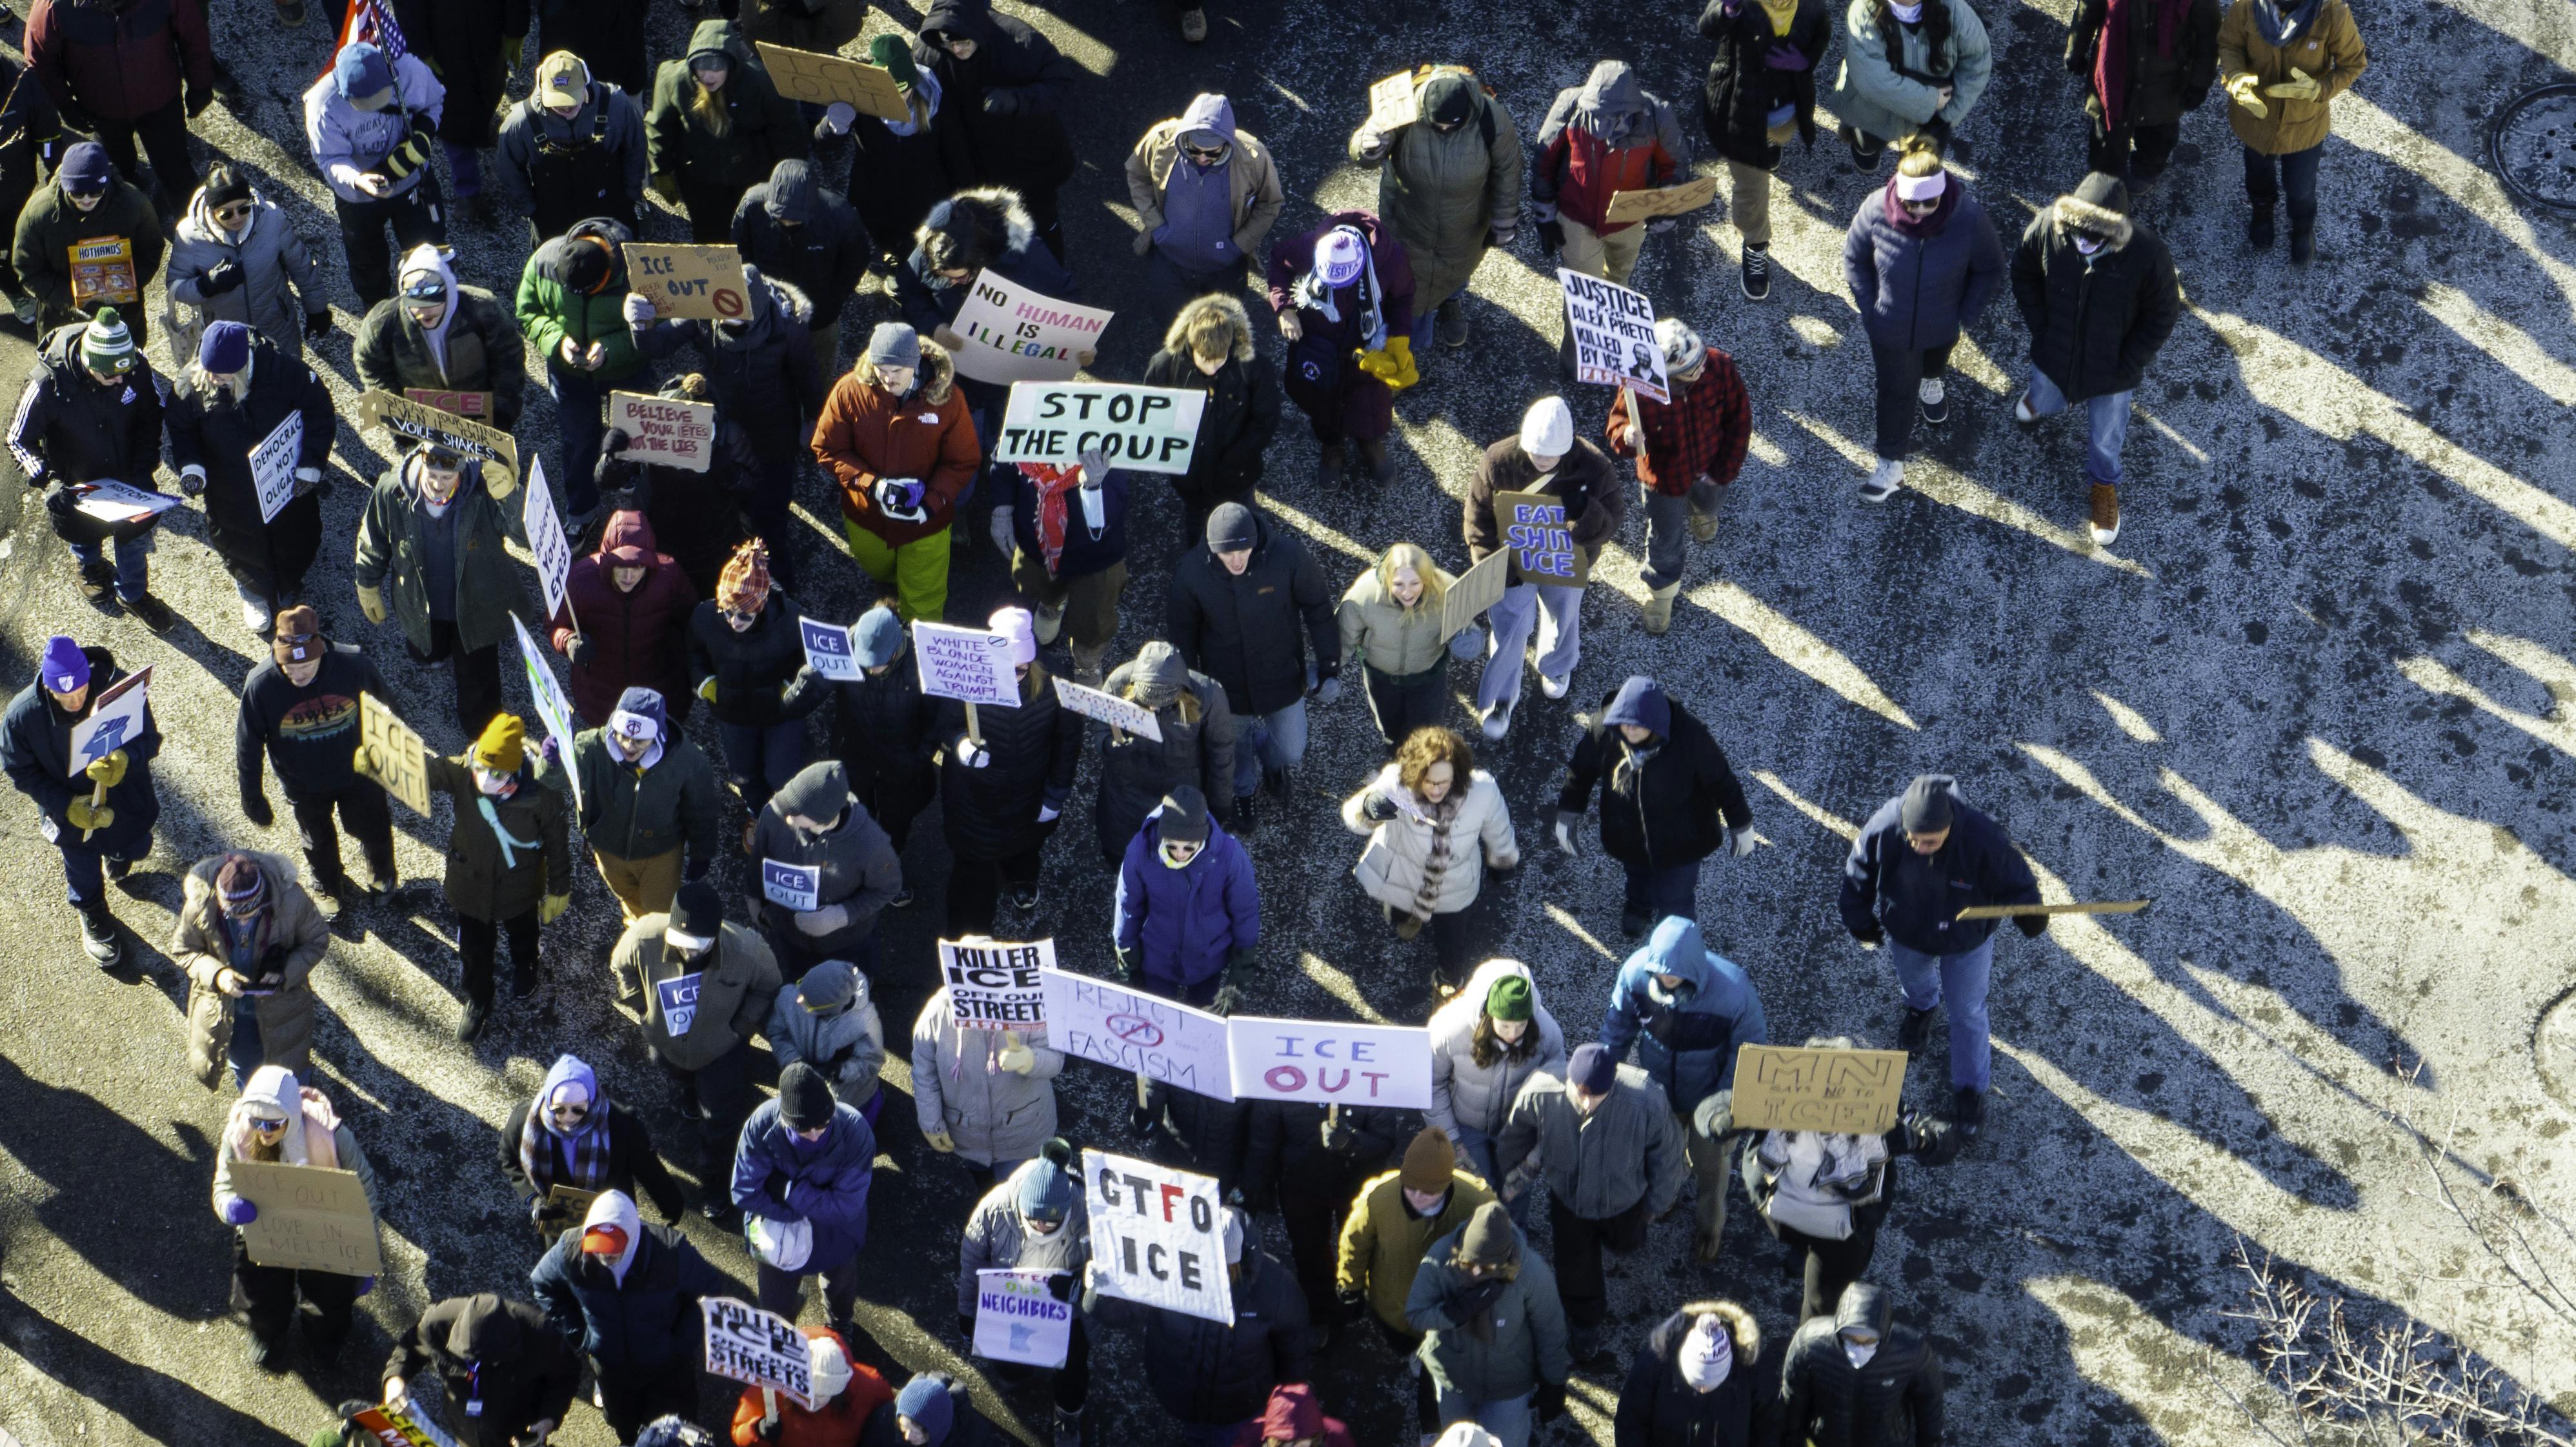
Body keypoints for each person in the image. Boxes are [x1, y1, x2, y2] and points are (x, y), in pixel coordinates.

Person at [1838, 774, 2042, 1133]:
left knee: (1968, 1012)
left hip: (1967, 941)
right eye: (1913, 840)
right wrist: (1858, 916)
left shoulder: (1983, 837)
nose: (1920, 848)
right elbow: (1859, 870)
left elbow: (2018, 879)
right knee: (1914, 982)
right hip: (1908, 932)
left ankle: (1970, 1090)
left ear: (1950, 827)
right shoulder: (1886, 824)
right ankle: (1921, 1008)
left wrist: (2030, 914)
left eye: (1930, 841)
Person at [2008, 172, 2182, 547]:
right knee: (2044, 387)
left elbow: (2164, 313)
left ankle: (2104, 486)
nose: (2084, 241)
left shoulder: (2149, 254)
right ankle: (2039, 402)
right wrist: (2042, 326)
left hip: (2113, 372)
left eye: (2096, 237)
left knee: (2106, 435)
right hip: (2054, 349)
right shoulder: (2047, 226)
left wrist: (2129, 363)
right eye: (2077, 231)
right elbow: (2023, 270)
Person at [1724, 1053, 1958, 1322]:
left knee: (1822, 1303)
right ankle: (1804, 1251)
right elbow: (1725, 1104)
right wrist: (1717, 1117)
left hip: (1840, 1231)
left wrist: (1920, 1138)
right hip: (1787, 1214)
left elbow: (1946, 1140)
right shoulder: (1782, 1093)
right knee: (1816, 1285)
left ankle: (1810, 1347)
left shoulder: (1880, 1105)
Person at [1495, 1042, 1686, 1366]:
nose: (1586, 1102)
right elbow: (1515, 1137)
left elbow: (1667, 1158)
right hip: (1570, 1202)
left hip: (1624, 1201)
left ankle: (1626, 1241)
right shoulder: (1541, 1092)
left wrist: (1657, 1204)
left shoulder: (1647, 1101)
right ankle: (1585, 1324)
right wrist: (1505, 1182)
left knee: (1627, 1243)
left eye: (1596, 1095)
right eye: (1580, 1092)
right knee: (1575, 1269)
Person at [1842, 139, 2005, 503]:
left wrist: (1965, 315)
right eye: (1910, 202)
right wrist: (1871, 309)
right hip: (1891, 330)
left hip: (1943, 325)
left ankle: (1932, 381)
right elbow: (1853, 259)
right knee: (1896, 391)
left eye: (1928, 203)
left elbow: (1990, 268)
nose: (1917, 211)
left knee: (1934, 362)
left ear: (1942, 195)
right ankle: (1890, 465)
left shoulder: (1968, 218)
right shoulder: (1875, 210)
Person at [388, 715, 570, 1040]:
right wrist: (385, 761)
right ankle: (478, 998)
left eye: (496, 773)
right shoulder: (464, 771)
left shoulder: (542, 795)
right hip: (470, 887)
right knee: (473, 951)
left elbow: (557, 842)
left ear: (515, 771)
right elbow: (426, 772)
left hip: (520, 889)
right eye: (480, 768)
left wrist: (559, 887)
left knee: (524, 935)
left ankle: (527, 967)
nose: (484, 778)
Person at [647, 262, 827, 587]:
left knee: (770, 517)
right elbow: (656, 346)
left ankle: (780, 586)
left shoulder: (788, 327)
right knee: (728, 505)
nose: (727, 319)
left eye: (737, 313)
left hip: (773, 434)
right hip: (724, 430)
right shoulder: (703, 311)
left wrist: (814, 421)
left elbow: (808, 378)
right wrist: (639, 322)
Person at [1598, 917, 1767, 1260]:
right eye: (1660, 975)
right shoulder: (1635, 975)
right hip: (1660, 1094)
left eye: (1673, 975)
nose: (1665, 980)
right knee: (1661, 1156)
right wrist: (1603, 1076)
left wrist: (1725, 1106)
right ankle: (1667, 1196)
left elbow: (1748, 1055)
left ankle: (1710, 1226)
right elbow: (1616, 1030)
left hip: (1710, 1104)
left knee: (1712, 1170)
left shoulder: (1735, 991)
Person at [616, 881, 782, 1222]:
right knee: (676, 1074)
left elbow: (769, 985)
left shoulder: (747, 951)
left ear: (716, 936)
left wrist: (740, 1029)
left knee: (719, 1122)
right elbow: (621, 967)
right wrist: (644, 1011)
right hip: (666, 1045)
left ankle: (714, 1186)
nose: (690, 954)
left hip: (720, 1051)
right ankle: (689, 1095)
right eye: (682, 945)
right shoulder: (644, 935)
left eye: (699, 947)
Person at [1168, 502, 1340, 829]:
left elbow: (1318, 606)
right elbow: (1183, 633)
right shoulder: (1192, 572)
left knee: (1292, 751)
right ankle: (1243, 791)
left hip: (1283, 676)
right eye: (1226, 554)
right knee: (1232, 750)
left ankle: (1272, 761)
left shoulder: (1288, 556)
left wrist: (1330, 665)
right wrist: (1188, 688)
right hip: (1226, 686)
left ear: (1256, 540)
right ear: (1212, 549)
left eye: (1244, 550)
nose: (1236, 560)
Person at [1464, 398, 1624, 739]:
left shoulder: (1594, 466)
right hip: (1511, 564)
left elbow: (1614, 519)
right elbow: (1478, 515)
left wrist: (1588, 514)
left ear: (1566, 449)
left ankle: (1557, 666)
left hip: (1566, 560)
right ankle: (1502, 696)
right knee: (1508, 625)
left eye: (1549, 455)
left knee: (1563, 613)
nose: (1540, 460)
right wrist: (1488, 560)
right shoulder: (1499, 458)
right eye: (1535, 452)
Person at [894, 185, 1082, 474]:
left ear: (981, 259)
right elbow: (910, 292)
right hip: (954, 376)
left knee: (999, 434)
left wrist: (1076, 345)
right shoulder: (932, 250)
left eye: (961, 278)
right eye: (945, 278)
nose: (954, 283)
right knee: (962, 435)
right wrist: (934, 327)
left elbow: (1068, 304)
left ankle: (997, 472)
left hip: (1006, 381)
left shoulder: (1029, 258)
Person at [1087, 1206, 1313, 1446]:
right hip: (1183, 1398)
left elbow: (1294, 1344)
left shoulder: (1275, 1287)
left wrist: (1290, 1397)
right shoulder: (1166, 1270)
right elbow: (1119, 1313)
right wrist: (1102, 1291)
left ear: (1234, 1261)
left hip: (1240, 1406)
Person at [8, 307, 177, 625]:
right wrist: (49, 481)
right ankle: (89, 565)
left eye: (125, 374)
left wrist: (143, 467)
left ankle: (134, 593)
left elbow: (151, 413)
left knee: (134, 540)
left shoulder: (134, 366)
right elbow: (17, 440)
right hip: (76, 485)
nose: (121, 381)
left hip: (129, 481)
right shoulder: (47, 384)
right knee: (84, 534)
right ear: (88, 364)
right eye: (111, 376)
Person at [166, 321, 335, 636]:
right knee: (238, 540)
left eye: (221, 375)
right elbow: (181, 430)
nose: (213, 380)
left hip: (284, 485)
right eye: (209, 371)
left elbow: (319, 410)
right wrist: (191, 467)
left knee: (293, 534)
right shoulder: (192, 383)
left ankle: (288, 583)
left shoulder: (283, 371)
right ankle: (253, 592)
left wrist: (310, 466)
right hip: (230, 488)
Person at [2, 636, 161, 968]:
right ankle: (92, 915)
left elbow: (150, 739)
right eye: (65, 695)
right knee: (82, 870)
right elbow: (20, 771)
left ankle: (119, 851)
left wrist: (125, 760)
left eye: (81, 690)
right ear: (48, 687)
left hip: (127, 800)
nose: (75, 701)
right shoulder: (22, 718)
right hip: (71, 815)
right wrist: (67, 805)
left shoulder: (122, 689)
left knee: (137, 847)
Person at [1556, 675, 1756, 937]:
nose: (1630, 731)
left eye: (1638, 726)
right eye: (1624, 723)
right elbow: (1581, 772)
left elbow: (1722, 781)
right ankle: (1639, 906)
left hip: (1683, 842)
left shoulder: (1691, 737)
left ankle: (1679, 947)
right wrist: (1568, 813)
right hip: (1628, 836)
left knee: (1677, 899)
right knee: (1637, 877)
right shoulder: (1603, 731)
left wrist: (1741, 823)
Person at [812, 321, 981, 623]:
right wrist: (873, 485)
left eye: (897, 371)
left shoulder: (950, 400)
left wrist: (929, 506)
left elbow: (962, 461)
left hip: (927, 524)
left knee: (924, 601)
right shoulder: (849, 390)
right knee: (876, 568)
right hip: (867, 517)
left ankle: (918, 653)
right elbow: (828, 449)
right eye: (882, 370)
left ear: (916, 364)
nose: (888, 379)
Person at [353, 443, 526, 736]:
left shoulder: (485, 490)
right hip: (420, 600)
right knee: (426, 646)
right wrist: (367, 582)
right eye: (431, 474)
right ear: (421, 461)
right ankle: (432, 653)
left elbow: (525, 537)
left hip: (476, 604)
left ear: (461, 471)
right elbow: (375, 539)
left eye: (447, 478)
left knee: (478, 676)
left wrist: (510, 496)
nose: (437, 484)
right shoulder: (391, 490)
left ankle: (480, 728)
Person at [529, 1190, 730, 1441]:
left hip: (666, 1370)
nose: (604, 1257)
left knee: (675, 1434)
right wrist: (582, 1336)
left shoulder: (671, 1253)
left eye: (613, 1250)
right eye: (597, 1249)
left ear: (633, 1236)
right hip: (612, 1370)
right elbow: (543, 1284)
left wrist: (679, 1345)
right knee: (625, 1428)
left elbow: (709, 1294)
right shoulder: (571, 1251)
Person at [213, 1066, 378, 1368]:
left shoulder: (332, 1135)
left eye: (273, 1123)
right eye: (257, 1121)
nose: (264, 1131)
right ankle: (267, 1333)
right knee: (258, 1298)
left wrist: (367, 1255)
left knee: (330, 1304)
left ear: (290, 1114)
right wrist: (228, 1207)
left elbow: (364, 1190)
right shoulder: (238, 1132)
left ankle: (324, 1342)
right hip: (264, 1228)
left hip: (326, 1233)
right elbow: (222, 1185)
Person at [1348, 65, 1522, 350]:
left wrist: (1504, 221)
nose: (1443, 130)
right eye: (1436, 124)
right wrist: (1369, 144)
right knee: (1408, 286)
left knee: (1457, 270)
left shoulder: (1491, 117)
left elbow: (1508, 170)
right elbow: (1364, 156)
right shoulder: (1402, 106)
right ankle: (1406, 347)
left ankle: (1450, 302)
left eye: (1450, 126)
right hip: (1407, 221)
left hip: (1465, 225)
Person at [235, 610, 394, 918]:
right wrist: (251, 795)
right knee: (316, 838)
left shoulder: (355, 666)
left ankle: (382, 871)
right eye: (289, 667)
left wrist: (398, 763)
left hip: (360, 773)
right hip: (304, 784)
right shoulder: (260, 685)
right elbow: (248, 745)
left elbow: (390, 712)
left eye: (305, 666)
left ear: (320, 649)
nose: (297, 675)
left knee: (373, 826)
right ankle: (327, 883)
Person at [1338, 1128, 1495, 1437]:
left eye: (1429, 1192)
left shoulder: (1478, 1202)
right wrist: (1349, 1287)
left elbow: (1499, 1251)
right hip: (1393, 1307)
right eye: (1410, 1189)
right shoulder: (1378, 1196)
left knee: (1437, 1368)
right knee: (1402, 1344)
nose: (1418, 1198)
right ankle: (1412, 1355)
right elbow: (1354, 1243)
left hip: (1446, 1314)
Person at [934, 607, 1083, 930]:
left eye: (1020, 669)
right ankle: (970, 933)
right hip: (974, 800)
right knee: (973, 873)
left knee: (1025, 850)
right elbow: (942, 722)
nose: (1013, 677)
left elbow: (1068, 741)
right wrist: (960, 744)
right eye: (1005, 668)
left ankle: (1023, 879)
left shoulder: (1056, 680)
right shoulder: (964, 672)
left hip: (1028, 797)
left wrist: (1056, 794)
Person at [1533, 61, 1687, 371]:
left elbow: (1676, 165)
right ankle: (1576, 360)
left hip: (1630, 222)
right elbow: (1544, 160)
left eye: (1608, 118)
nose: (1597, 124)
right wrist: (1545, 216)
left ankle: (1611, 353)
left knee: (1618, 286)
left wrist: (1665, 208)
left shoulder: (1657, 116)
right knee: (1582, 298)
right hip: (1577, 220)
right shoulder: (1571, 105)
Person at [1343, 726, 1518, 993]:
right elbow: (1352, 816)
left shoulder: (1482, 791)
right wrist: (1367, 808)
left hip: (1454, 889)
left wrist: (1502, 858)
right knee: (1396, 917)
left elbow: (1498, 827)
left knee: (1452, 941)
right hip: (1404, 877)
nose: (1436, 790)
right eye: (1428, 781)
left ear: (1458, 774)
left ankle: (1449, 981)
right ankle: (1407, 920)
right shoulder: (1396, 782)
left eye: (1444, 782)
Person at [1606, 321, 1751, 632]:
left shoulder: (1719, 367)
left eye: (1701, 363)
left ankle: (1704, 513)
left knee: (1710, 502)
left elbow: (1740, 420)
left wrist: (1724, 470)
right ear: (1668, 376)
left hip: (1712, 468)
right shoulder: (1639, 388)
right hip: (1664, 482)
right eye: (1691, 370)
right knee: (1665, 539)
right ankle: (1662, 592)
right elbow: (1616, 425)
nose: (1701, 370)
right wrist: (1626, 436)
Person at [517, 214, 663, 521]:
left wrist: (609, 350)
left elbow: (658, 325)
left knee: (632, 433)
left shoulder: (642, 273)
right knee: (578, 442)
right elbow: (528, 313)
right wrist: (557, 342)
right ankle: (581, 511)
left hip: (626, 370)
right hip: (569, 375)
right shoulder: (543, 261)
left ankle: (630, 473)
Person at [912, 0, 1079, 261]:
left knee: (1042, 224)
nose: (957, 50)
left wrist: (1015, 100)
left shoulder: (1020, 40)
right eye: (949, 43)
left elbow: (1061, 83)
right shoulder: (928, 50)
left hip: (1028, 165)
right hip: (973, 171)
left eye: (964, 43)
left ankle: (1053, 267)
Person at [1264, 210, 1416, 483]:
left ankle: (1369, 442)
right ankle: (1332, 445)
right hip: (1320, 346)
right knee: (1322, 401)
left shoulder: (1392, 259)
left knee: (1371, 401)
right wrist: (1284, 309)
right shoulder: (1309, 246)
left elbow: (1403, 298)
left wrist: (1399, 338)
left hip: (1368, 346)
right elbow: (1279, 260)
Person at [1404, 1200, 1570, 1447]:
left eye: (1488, 1267)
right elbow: (1416, 1314)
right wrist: (1454, 1313)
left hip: (1508, 1384)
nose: (1477, 1273)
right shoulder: (1440, 1257)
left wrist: (1554, 1382)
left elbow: (1551, 1331)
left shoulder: (1532, 1274)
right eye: (1469, 1264)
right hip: (1452, 1376)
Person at [1242, 1100, 1407, 1348]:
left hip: (1355, 1187)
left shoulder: (1369, 1074)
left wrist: (1351, 1143)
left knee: (1358, 1247)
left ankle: (1354, 1296)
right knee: (1309, 1252)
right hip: (1300, 1185)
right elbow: (1263, 1138)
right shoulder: (1282, 1082)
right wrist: (1254, 1183)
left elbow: (1384, 1141)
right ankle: (1321, 1313)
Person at [1696, 0, 1833, 299]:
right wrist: (1727, 11)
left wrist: (1806, 61)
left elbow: (1822, 35)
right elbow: (1707, 27)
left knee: (1782, 134)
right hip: (1743, 111)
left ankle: (1772, 142)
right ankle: (1756, 245)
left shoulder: (1812, 8)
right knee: (1752, 191)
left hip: (1785, 108)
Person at [956, 1146, 1089, 1447]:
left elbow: (1108, 1265)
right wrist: (967, 1312)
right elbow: (971, 1261)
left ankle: (1068, 1414)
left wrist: (1080, 1287)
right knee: (1009, 1357)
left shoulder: (1089, 1211)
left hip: (1066, 1311)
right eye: (1035, 1219)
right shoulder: (993, 1209)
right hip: (1013, 1305)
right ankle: (1018, 1373)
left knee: (1073, 1369)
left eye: (1051, 1222)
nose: (1042, 1227)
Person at [2217, 0, 2366, 263]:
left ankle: (2302, 227)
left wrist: (2321, 89)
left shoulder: (2333, 13)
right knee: (2258, 173)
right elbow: (2230, 44)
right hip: (2255, 118)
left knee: (2300, 187)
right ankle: (2262, 211)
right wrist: (2236, 74)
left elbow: (2353, 63)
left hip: (2305, 125)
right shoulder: (2246, 6)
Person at [305, 41, 447, 312]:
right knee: (365, 256)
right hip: (358, 197)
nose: (372, 106)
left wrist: (423, 135)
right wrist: (358, 179)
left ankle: (430, 298)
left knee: (428, 247)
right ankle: (377, 308)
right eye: (363, 102)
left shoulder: (410, 69)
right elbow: (329, 158)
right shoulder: (321, 105)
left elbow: (435, 101)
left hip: (412, 182)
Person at [733, 1062, 876, 1329]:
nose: (813, 1136)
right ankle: (781, 1329)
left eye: (822, 1126)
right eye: (802, 1129)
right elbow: (743, 1192)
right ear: (784, 1120)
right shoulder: (760, 1125)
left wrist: (787, 1190)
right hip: (774, 1234)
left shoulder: (856, 1131)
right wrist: (796, 1214)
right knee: (773, 1303)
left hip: (837, 1235)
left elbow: (846, 1207)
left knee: (841, 1290)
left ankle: (840, 1324)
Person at [24, 0, 209, 205]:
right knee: (117, 172)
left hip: (162, 104)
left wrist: (200, 84)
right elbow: (39, 59)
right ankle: (128, 203)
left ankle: (191, 222)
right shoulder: (53, 6)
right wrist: (65, 105)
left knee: (177, 171)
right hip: (101, 113)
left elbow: (193, 34)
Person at [689, 538, 825, 813]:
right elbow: (693, 653)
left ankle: (786, 814)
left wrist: (792, 689)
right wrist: (707, 686)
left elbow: (814, 662)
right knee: (744, 774)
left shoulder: (793, 619)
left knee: (782, 776)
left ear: (761, 605)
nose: (734, 621)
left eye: (744, 615)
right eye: (727, 611)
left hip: (780, 712)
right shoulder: (705, 617)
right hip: (732, 712)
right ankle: (758, 812)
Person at [174, 849, 329, 1091]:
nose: (244, 922)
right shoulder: (200, 906)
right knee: (247, 1073)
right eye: (234, 916)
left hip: (282, 1007)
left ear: (264, 898)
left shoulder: (292, 900)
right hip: (232, 1015)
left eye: (252, 914)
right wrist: (217, 974)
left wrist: (286, 972)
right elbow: (185, 950)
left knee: (291, 1070)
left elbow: (317, 940)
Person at [598, 376, 761, 598]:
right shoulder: (650, 426)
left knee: (706, 593)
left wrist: (727, 473)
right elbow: (606, 481)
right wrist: (612, 460)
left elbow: (751, 484)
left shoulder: (729, 436)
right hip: (657, 530)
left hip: (711, 539)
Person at [1124, 93, 1283, 319]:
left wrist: (1239, 246)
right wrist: (1157, 227)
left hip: (1225, 269)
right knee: (1170, 330)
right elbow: (1137, 175)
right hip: (1169, 262)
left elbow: (1270, 203)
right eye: (1194, 149)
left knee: (1224, 333)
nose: (1202, 158)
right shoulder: (1160, 139)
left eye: (1212, 152)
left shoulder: (1254, 156)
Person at [1427, 960, 1568, 1213]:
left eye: (1522, 1025)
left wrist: (1535, 1156)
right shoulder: (1448, 1028)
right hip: (1466, 1126)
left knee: (1517, 1193)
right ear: (1488, 1014)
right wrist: (1453, 1141)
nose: (1513, 1034)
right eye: (1504, 1025)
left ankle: (1517, 1243)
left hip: (1519, 1129)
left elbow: (1554, 1097)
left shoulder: (1549, 1034)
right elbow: (1431, 1084)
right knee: (1478, 1194)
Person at [573, 686, 719, 930]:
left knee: (661, 917)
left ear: (658, 736)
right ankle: (638, 928)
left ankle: (655, 950)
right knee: (629, 899)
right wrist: (551, 760)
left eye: (639, 741)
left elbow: (702, 810)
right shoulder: (590, 746)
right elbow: (552, 779)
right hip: (608, 850)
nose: (629, 746)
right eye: (622, 736)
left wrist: (702, 851)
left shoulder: (689, 761)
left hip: (659, 854)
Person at [1138, 294, 1280, 545]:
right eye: (1205, 360)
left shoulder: (1254, 367)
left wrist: (1235, 459)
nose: (1212, 369)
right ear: (1192, 346)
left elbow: (1265, 420)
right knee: (1195, 524)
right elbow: (1151, 413)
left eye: (1219, 360)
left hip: (1237, 475)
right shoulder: (1164, 365)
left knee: (1243, 526)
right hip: (1190, 478)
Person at [827, 34, 973, 277]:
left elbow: (956, 153)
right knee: (886, 236)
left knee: (923, 249)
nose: (898, 99)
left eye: (904, 90)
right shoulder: (863, 100)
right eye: (890, 91)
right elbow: (827, 144)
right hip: (876, 196)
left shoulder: (937, 105)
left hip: (924, 198)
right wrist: (833, 127)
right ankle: (891, 251)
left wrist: (966, 198)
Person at [645, 21, 805, 243]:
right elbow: (659, 126)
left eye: (717, 68)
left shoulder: (762, 83)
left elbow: (787, 132)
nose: (709, 76)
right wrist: (661, 170)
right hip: (700, 179)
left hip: (752, 177)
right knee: (709, 238)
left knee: (753, 233)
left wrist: (790, 180)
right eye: (702, 67)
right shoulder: (673, 79)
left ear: (732, 64)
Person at [501, 1053, 686, 1242]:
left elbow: (646, 1167)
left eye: (578, 1110)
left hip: (609, 1215)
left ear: (591, 1101)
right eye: (559, 1109)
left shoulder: (621, 1123)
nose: (569, 1117)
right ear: (549, 1101)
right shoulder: (524, 1121)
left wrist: (671, 1204)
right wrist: (534, 1199)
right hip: (557, 1221)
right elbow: (508, 1160)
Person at [748, 759, 903, 980]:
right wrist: (754, 897)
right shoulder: (775, 815)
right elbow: (759, 858)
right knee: (797, 983)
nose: (786, 815)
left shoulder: (872, 845)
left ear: (823, 818)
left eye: (795, 811)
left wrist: (842, 915)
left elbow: (888, 888)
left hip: (846, 944)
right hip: (791, 937)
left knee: (847, 993)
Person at [163, 164, 330, 368]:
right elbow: (176, 287)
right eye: (227, 214)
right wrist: (207, 285)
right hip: (225, 336)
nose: (238, 218)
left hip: (277, 327)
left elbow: (301, 266)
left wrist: (317, 309)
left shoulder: (272, 219)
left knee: (288, 381)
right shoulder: (189, 236)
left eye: (244, 208)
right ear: (212, 210)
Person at [912, 975, 1064, 1194]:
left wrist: (1032, 1060)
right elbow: (924, 1071)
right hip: (967, 1136)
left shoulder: (1029, 1006)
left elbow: (1056, 1059)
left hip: (1021, 1136)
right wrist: (931, 1122)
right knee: (981, 1179)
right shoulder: (938, 1010)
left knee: (1020, 1190)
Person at [1114, 784, 1259, 1012]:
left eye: (1189, 848)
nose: (1179, 854)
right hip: (1157, 958)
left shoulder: (1230, 855)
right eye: (1171, 846)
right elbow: (1127, 907)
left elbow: (1245, 910)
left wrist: (1241, 970)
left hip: (1209, 958)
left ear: (1202, 839)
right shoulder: (1139, 852)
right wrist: (1127, 961)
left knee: (1201, 1024)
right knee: (1158, 1019)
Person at [355, 245, 529, 432]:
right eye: (415, 302)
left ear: (449, 290)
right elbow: (370, 364)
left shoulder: (484, 309)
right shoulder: (381, 322)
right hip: (421, 422)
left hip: (481, 417)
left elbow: (509, 359)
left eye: (433, 300)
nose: (424, 311)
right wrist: (397, 413)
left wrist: (501, 413)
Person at [827, 605, 939, 891]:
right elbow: (813, 682)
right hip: (856, 758)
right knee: (854, 817)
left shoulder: (924, 662)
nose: (870, 669)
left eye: (878, 663)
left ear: (897, 650)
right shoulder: (845, 647)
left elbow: (939, 718)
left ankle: (886, 870)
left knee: (895, 825)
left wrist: (919, 757)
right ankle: (859, 868)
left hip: (902, 766)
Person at [1092, 640, 1235, 864]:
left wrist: (1220, 804)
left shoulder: (1208, 695)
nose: (1153, 709)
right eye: (1146, 703)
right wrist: (1111, 746)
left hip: (1181, 795)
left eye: (1161, 703)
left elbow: (1222, 754)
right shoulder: (1119, 681)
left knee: (1176, 859)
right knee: (1120, 850)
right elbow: (1101, 727)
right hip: (1126, 790)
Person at [552, 512, 698, 729]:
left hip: (659, 688)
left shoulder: (670, 577)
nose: (628, 577)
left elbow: (693, 621)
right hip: (601, 696)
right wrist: (568, 642)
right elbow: (554, 625)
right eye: (621, 568)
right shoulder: (580, 580)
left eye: (637, 569)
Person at [991, 450, 1126, 683]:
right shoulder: (1028, 418)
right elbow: (1004, 454)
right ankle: (1052, 604)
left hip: (1094, 555)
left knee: (1093, 617)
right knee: (1033, 581)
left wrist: (1095, 487)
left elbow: (1118, 503)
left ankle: (1087, 664)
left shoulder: (1109, 443)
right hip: (1036, 541)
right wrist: (1002, 507)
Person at [12, 141, 164, 342]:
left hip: (123, 313)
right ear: (66, 186)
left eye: (95, 192)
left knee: (125, 366)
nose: (86, 200)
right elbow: (27, 268)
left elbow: (151, 251)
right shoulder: (39, 214)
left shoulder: (135, 205)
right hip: (62, 317)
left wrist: (126, 288)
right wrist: (73, 298)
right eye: (77, 193)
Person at [733, 159, 872, 378]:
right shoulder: (752, 204)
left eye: (795, 220)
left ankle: (817, 405)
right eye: (779, 218)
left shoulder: (840, 216)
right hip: (766, 305)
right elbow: (739, 249)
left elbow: (856, 260)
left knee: (819, 368)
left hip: (819, 313)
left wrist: (833, 298)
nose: (787, 224)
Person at [382, 1293, 580, 1447]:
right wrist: (395, 1381)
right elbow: (410, 1348)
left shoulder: (543, 1336)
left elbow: (566, 1379)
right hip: (464, 1424)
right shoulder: (437, 1323)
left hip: (514, 1429)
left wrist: (548, 1419)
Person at [494, 51, 650, 246]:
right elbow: (508, 169)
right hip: (554, 215)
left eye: (572, 100)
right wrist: (530, 209)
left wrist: (631, 194)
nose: (566, 109)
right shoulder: (519, 123)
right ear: (542, 89)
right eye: (558, 104)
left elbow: (636, 148)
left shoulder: (617, 105)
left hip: (611, 205)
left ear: (585, 84)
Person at [1339, 542, 1479, 753]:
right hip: (1381, 678)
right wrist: (1327, 670)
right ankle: (1396, 759)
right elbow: (1343, 638)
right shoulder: (1362, 598)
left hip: (1428, 678)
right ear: (1387, 580)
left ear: (1426, 577)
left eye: (1415, 583)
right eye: (1398, 584)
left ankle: (1418, 774)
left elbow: (1466, 626)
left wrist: (1470, 638)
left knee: (1425, 736)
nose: (1407, 593)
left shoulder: (1449, 590)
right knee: (1390, 731)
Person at [1778, 1282, 1946, 1445]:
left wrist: (1931, 1441)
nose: (1859, 1349)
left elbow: (1930, 1400)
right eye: (1850, 1339)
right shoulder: (1810, 1343)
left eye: (1870, 1341)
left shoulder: (1912, 1350)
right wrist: (1791, 1436)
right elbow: (1794, 1393)